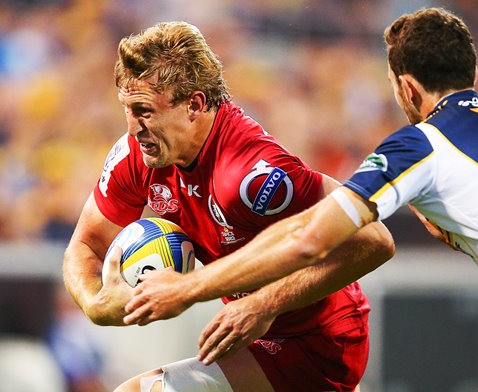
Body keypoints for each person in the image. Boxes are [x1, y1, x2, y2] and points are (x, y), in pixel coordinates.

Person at [124, 8, 478, 392]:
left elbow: (310, 238)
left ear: (405, 87)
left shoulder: (422, 144)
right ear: (471, 72)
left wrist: (188, 288)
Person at [62, 21, 395, 392]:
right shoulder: (138, 156)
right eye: (128, 109)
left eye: (145, 110)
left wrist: (264, 304)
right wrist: (96, 303)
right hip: (254, 338)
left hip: (317, 341)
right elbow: (86, 244)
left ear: (195, 104)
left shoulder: (250, 173)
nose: (134, 127)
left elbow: (373, 240)